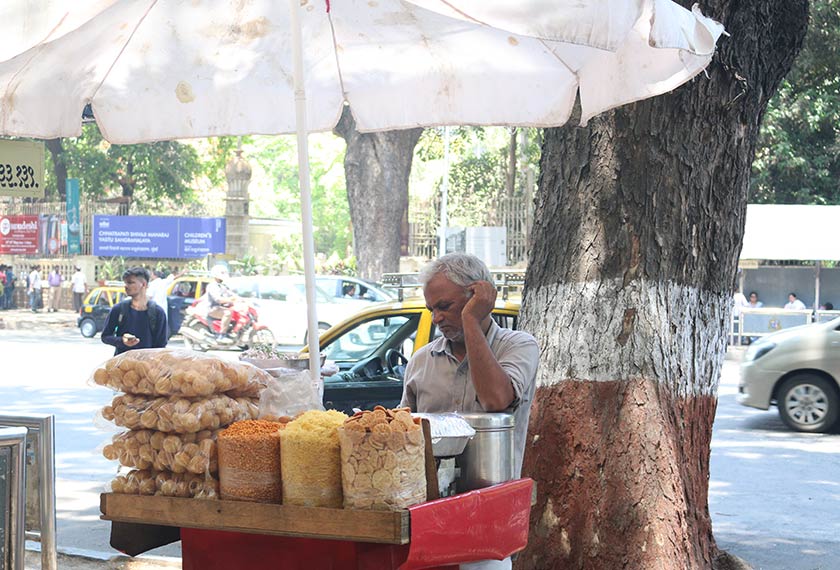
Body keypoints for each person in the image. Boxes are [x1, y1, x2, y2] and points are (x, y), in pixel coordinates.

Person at [400, 254, 538, 570]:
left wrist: (471, 322)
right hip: (428, 520)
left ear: (476, 296)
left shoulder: (519, 345)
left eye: (444, 306)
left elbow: (495, 399)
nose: (436, 318)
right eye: (431, 309)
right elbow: (403, 433)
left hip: (488, 525)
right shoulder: (421, 361)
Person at [101, 267, 168, 355]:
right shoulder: (118, 309)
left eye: (130, 282)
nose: (126, 286)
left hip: (147, 365)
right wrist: (122, 341)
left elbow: (161, 345)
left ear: (143, 284)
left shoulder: (158, 313)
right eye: (125, 283)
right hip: (122, 365)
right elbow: (105, 336)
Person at [206, 265, 238, 341]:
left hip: (221, 308)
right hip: (212, 308)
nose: (224, 275)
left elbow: (232, 294)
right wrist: (230, 300)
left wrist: (241, 299)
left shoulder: (223, 285)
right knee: (228, 313)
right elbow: (218, 299)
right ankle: (222, 335)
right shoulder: (212, 286)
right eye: (222, 273)